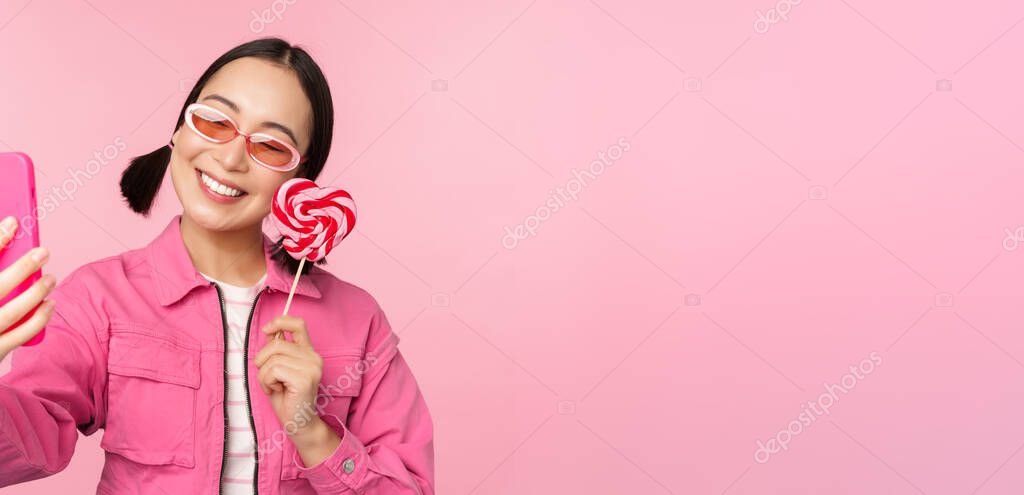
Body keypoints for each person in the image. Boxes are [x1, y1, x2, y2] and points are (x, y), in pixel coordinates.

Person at [0, 37, 434, 494]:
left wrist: (312, 433)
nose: (229, 158)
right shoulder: (98, 297)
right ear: (179, 129)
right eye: (214, 121)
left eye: (270, 146)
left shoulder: (358, 320)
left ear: (300, 180)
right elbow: (22, 449)